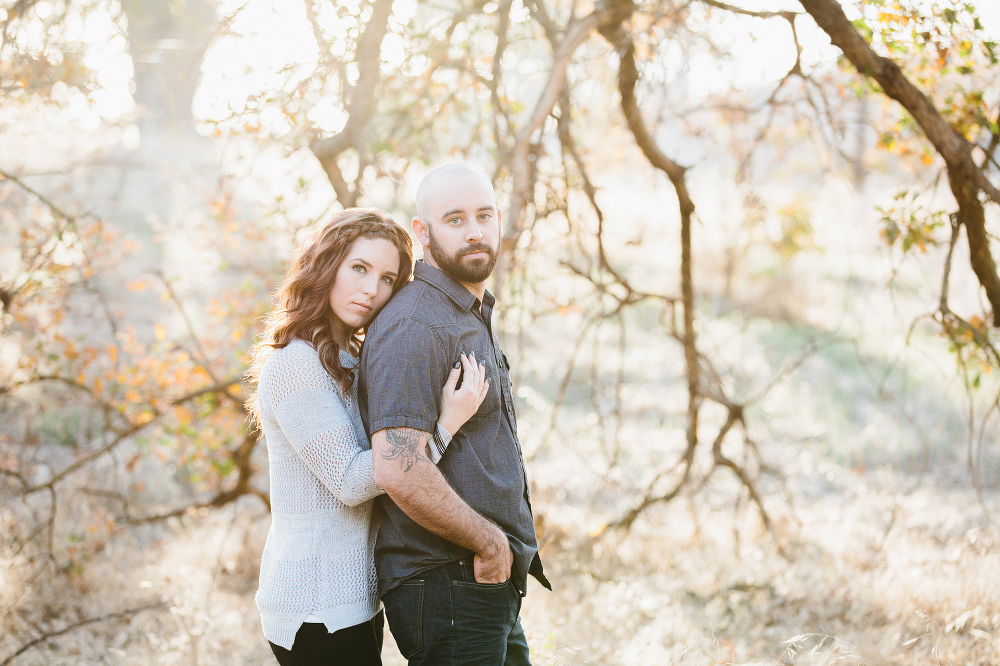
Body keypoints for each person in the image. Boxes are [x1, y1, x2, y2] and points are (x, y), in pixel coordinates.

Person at [245, 207, 491, 665]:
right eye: (359, 268)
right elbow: (352, 482)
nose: (371, 290)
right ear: (326, 264)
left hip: (353, 600)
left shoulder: (350, 355)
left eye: (386, 279)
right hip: (314, 605)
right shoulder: (296, 364)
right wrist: (446, 424)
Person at [360, 164, 551, 665]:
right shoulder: (415, 324)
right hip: (446, 582)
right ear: (422, 233)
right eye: (455, 219)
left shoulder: (463, 313)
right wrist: (489, 543)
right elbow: (398, 467)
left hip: (481, 583)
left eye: (484, 215)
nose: (474, 231)